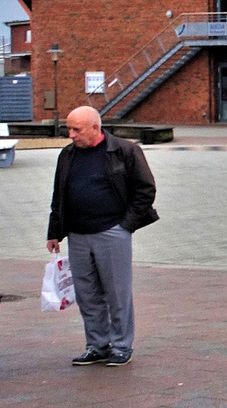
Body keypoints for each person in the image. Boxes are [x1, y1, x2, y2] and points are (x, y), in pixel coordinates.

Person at [46, 106, 157, 367]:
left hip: (112, 232)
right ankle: (97, 345)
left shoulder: (125, 151)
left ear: (95, 128)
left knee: (117, 293)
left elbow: (145, 189)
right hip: (78, 235)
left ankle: (121, 346)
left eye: (76, 129)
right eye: (69, 129)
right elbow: (59, 196)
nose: (71, 135)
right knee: (87, 294)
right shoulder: (68, 155)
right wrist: (54, 232)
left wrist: (125, 226)